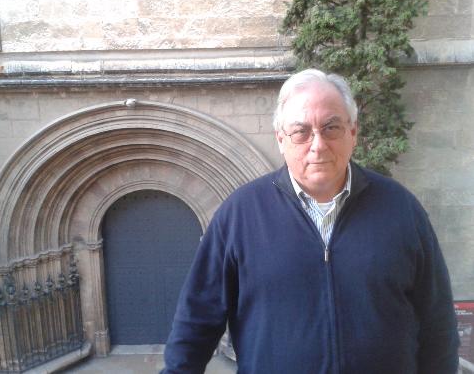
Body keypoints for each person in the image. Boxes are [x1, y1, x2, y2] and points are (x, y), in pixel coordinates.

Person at [162, 69, 459, 374]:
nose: (317, 145)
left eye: (331, 127)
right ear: (281, 138)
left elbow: (438, 325)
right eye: (301, 131)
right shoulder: (239, 215)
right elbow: (195, 323)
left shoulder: (401, 210)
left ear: (353, 132)